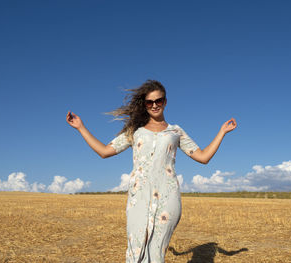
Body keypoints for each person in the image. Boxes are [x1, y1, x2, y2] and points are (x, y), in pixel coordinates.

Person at [66, 80, 237, 263]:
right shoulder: (135, 131)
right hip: (139, 196)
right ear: (144, 104)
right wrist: (80, 127)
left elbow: (203, 157)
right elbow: (104, 151)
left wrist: (222, 132)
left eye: (159, 101)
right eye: (150, 102)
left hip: (168, 196)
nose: (154, 105)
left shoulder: (176, 131)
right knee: (136, 247)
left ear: (165, 102)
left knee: (156, 252)